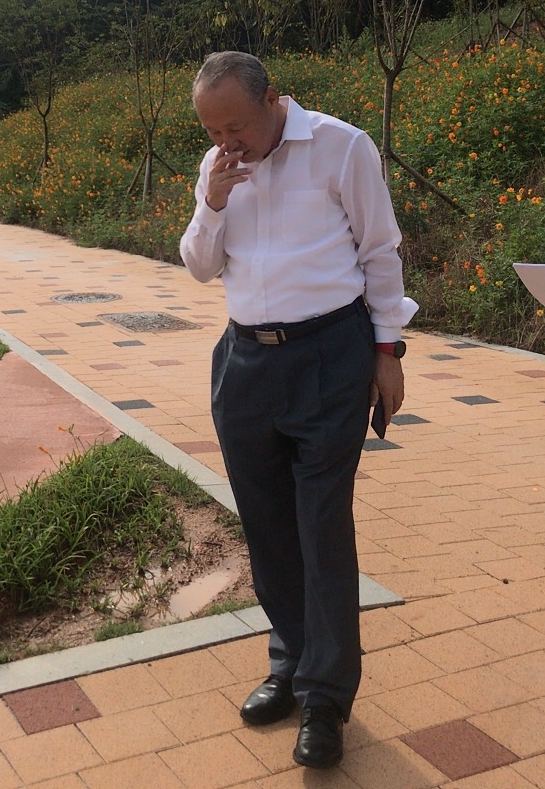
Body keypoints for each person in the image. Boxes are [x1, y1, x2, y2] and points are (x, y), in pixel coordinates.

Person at [179, 51, 417, 769]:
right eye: (214, 130)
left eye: (237, 125)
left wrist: (387, 353)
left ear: (272, 99)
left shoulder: (341, 147)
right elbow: (198, 265)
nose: (228, 141)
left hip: (328, 357)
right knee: (267, 525)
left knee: (320, 525)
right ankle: (288, 662)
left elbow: (380, 252)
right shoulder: (216, 167)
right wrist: (213, 199)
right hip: (245, 361)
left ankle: (326, 696)